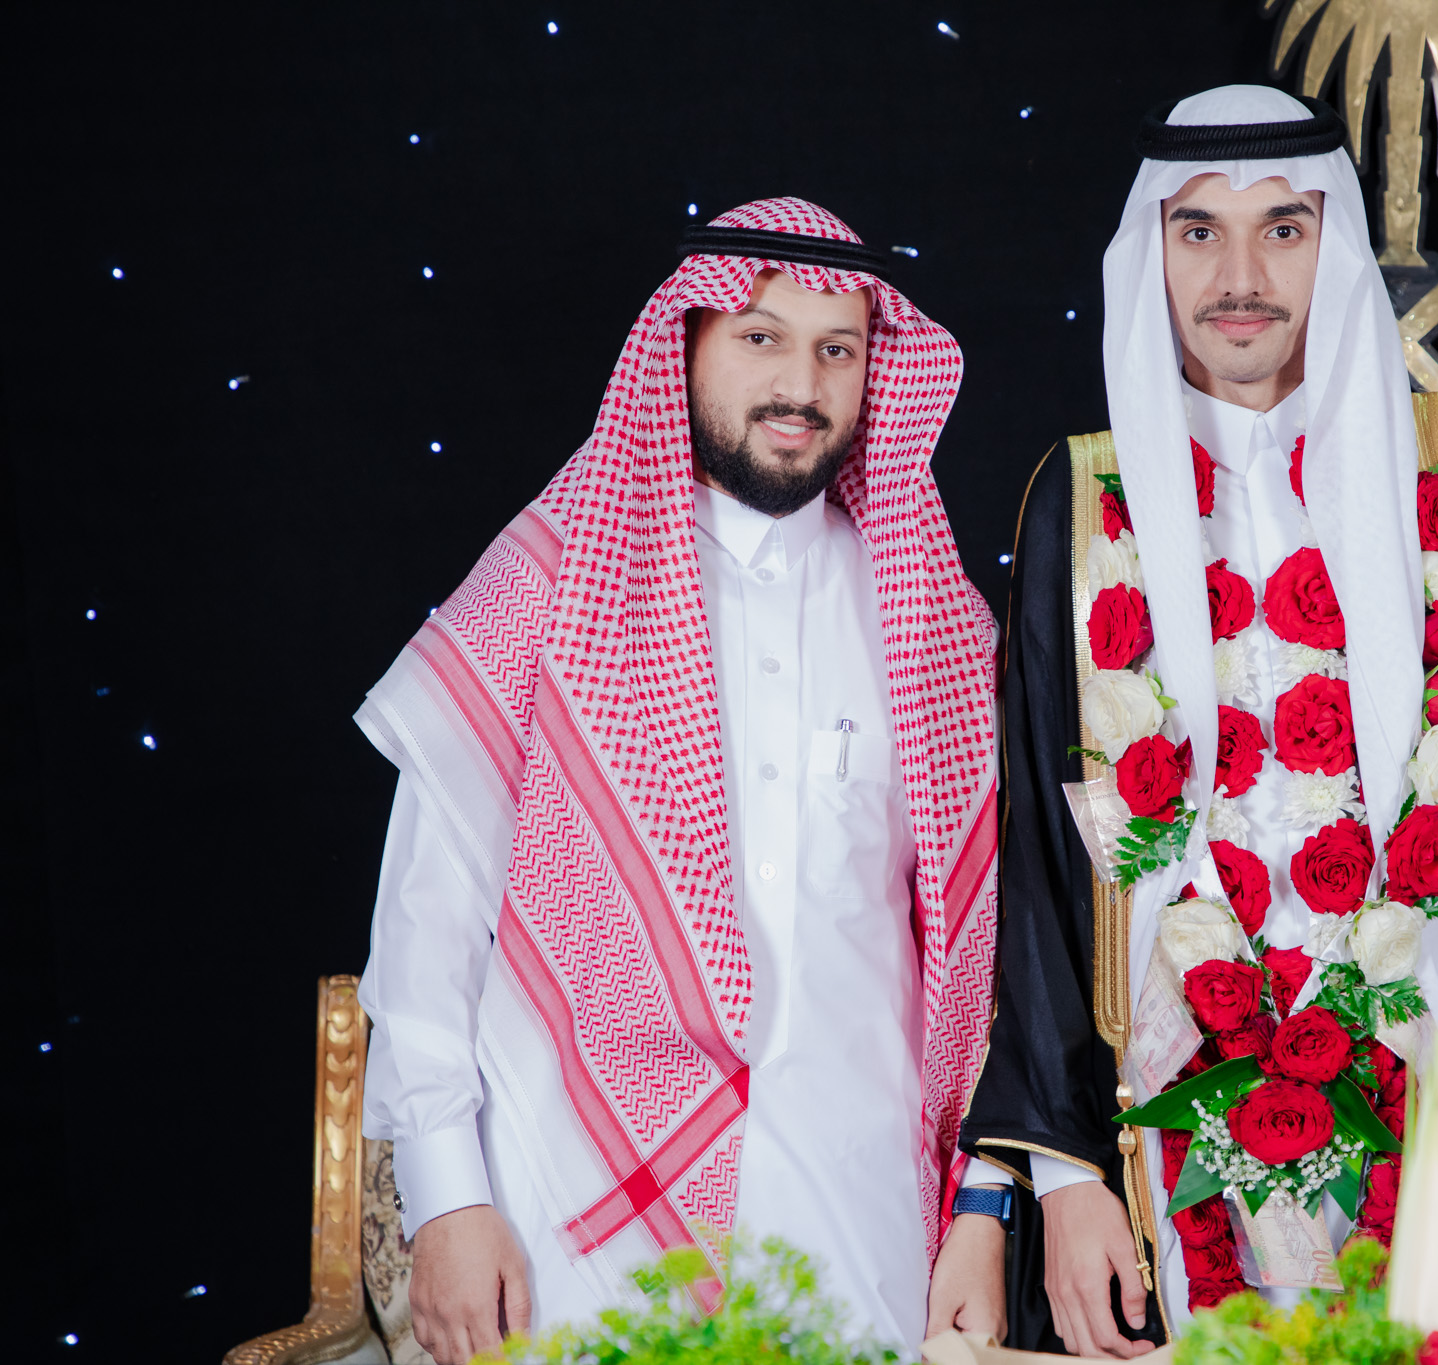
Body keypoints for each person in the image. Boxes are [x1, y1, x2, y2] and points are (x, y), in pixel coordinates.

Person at [958, 87, 1438, 1353]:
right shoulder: (1083, 504)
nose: (1238, 278)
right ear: (1150, 251)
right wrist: (1064, 1174)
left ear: (1335, 244)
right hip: (1170, 1135)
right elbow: (1036, 864)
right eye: (1197, 231)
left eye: (1282, 229)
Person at [355, 198, 1011, 1364]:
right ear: (686, 345)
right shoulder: (553, 582)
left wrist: (982, 1208)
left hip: (858, 1215)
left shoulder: (937, 625)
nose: (800, 385)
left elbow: (988, 961)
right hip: (576, 1213)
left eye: (837, 349)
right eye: (760, 338)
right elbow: (429, 920)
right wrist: (447, 1198)